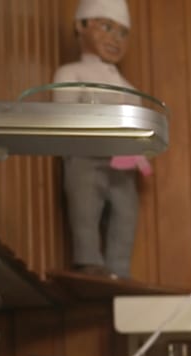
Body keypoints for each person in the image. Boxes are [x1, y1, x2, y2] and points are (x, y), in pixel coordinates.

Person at [52, 0, 150, 278]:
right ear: (81, 26)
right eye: (106, 27)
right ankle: (88, 261)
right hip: (85, 156)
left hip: (123, 163)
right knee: (84, 209)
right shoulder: (71, 74)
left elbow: (140, 125)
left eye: (122, 33)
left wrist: (141, 150)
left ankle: (119, 268)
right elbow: (63, 117)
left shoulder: (128, 87)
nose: (115, 39)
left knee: (126, 214)